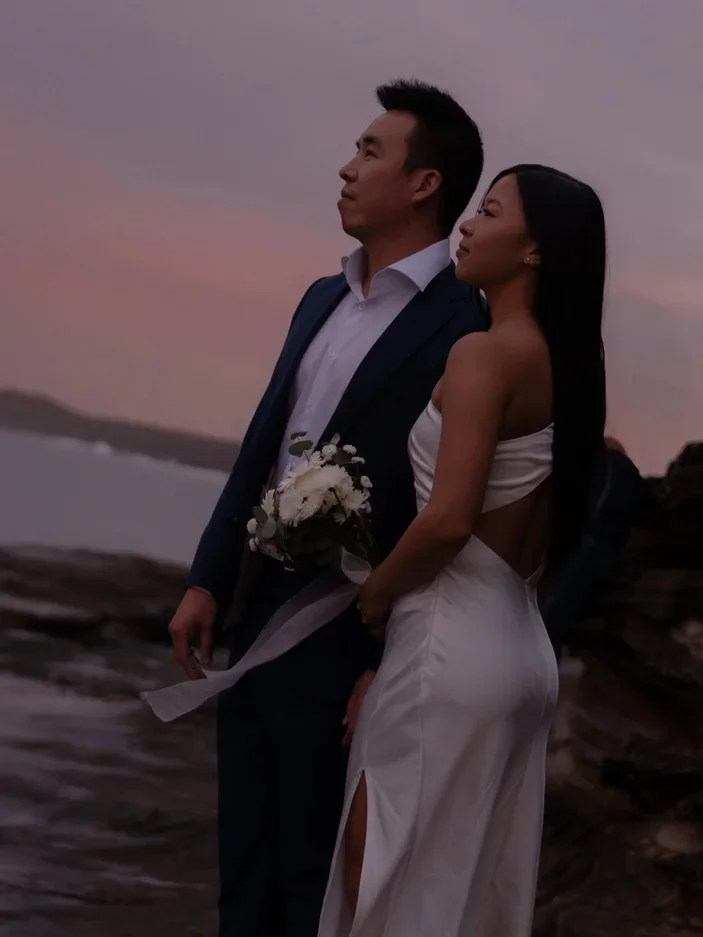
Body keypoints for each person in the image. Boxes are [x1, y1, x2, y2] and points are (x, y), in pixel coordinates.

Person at [166, 79, 486, 937]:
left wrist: (389, 656)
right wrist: (206, 578)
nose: (347, 168)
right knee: (242, 864)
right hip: (255, 609)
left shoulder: (466, 328)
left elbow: (453, 509)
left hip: (352, 633)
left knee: (313, 878)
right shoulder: (322, 296)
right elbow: (263, 445)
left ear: (424, 183)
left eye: (370, 152)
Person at [317, 165, 607, 937]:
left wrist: (376, 596)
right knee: (467, 892)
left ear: (535, 248)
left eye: (490, 211)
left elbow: (448, 519)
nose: (468, 226)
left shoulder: (484, 354)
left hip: (447, 649)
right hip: (522, 654)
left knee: (381, 880)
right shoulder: (568, 369)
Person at [539, 435, 655, 657]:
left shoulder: (602, 468)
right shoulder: (618, 468)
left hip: (590, 539)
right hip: (602, 541)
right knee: (565, 597)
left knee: (561, 596)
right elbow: (646, 507)